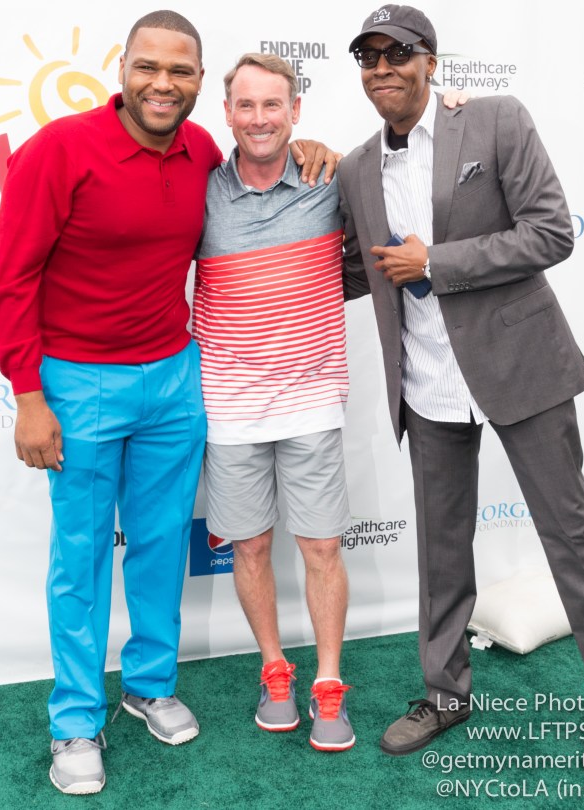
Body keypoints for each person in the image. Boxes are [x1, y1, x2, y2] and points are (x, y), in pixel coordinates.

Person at [0, 11, 333, 795]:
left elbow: (268, 162)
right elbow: (10, 281)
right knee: (79, 558)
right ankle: (75, 720)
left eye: (180, 73)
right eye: (149, 68)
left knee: (157, 542)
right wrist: (28, 394)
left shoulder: (204, 150)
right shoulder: (59, 152)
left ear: (199, 84)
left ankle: (148, 683)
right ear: (123, 68)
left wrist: (315, 150)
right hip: (78, 383)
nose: (162, 84)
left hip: (176, 376)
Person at [338, 4, 584, 774]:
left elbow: (552, 231)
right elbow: (350, 269)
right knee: (442, 552)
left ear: (431, 61)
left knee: (573, 534)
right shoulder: (352, 168)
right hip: (426, 383)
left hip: (522, 368)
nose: (382, 68)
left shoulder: (498, 120)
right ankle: (445, 692)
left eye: (397, 52)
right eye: (367, 56)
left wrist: (436, 262)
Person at [193, 53, 355, 752]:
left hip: (313, 399)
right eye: (246, 106)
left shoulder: (332, 181)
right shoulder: (199, 195)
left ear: (295, 111)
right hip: (229, 407)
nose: (260, 118)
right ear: (226, 113)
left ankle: (327, 682)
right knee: (252, 547)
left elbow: (410, 183)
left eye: (273, 105)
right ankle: (274, 669)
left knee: (320, 545)